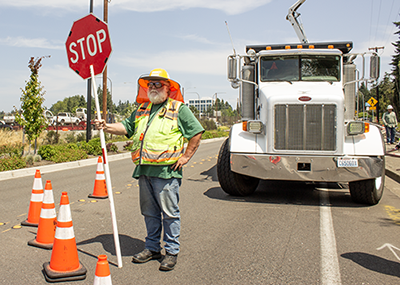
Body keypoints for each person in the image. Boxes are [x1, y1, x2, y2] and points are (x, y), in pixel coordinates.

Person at [95, 68, 204, 271]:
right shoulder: (142, 109)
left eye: (158, 84)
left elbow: (196, 132)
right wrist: (106, 126)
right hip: (145, 170)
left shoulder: (179, 109)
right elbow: (126, 128)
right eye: (150, 84)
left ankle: (171, 251)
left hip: (166, 172)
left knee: (169, 213)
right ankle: (152, 248)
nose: (153, 88)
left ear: (167, 88)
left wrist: (186, 156)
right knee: (149, 213)